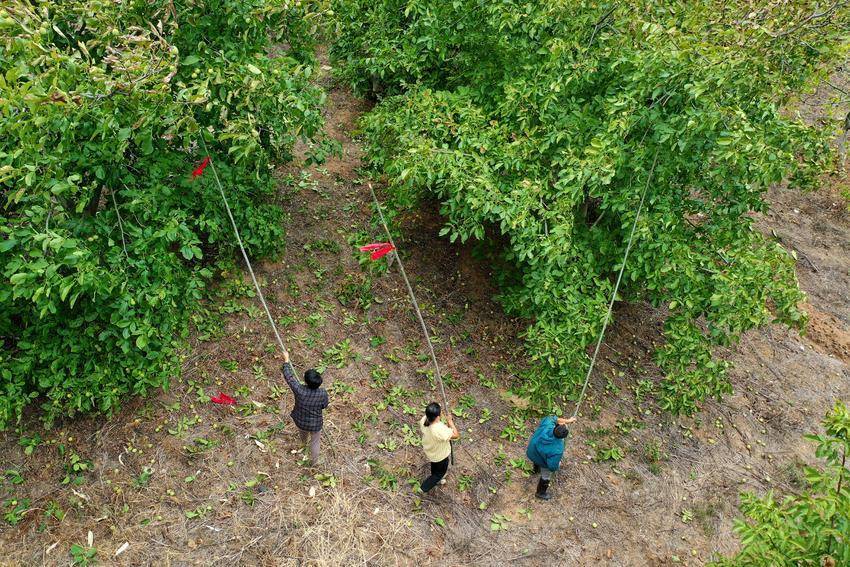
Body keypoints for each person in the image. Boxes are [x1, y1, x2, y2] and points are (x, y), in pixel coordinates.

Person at [281, 351, 328, 466]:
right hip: (316, 424)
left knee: (302, 432)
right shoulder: (322, 393)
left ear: (305, 381)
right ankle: (313, 462)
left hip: (300, 420)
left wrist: (286, 360)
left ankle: (303, 443)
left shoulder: (299, 390)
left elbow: (289, 377)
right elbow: (324, 405)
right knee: (315, 442)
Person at [526, 414, 576, 500]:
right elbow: (552, 467)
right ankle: (540, 493)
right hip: (541, 458)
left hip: (532, 452)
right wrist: (558, 465)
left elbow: (552, 418)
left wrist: (567, 420)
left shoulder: (547, 426)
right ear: (564, 436)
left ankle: (535, 470)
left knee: (538, 457)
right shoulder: (558, 448)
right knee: (546, 475)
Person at [418, 402, 460, 492]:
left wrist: (444, 417)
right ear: (437, 417)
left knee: (435, 467)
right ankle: (423, 488)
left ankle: (436, 478)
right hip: (440, 456)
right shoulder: (439, 430)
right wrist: (450, 422)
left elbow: (436, 419)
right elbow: (456, 435)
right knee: (440, 473)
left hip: (431, 451)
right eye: (440, 413)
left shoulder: (424, 420)